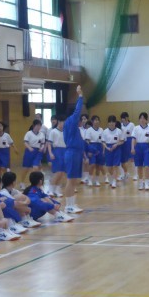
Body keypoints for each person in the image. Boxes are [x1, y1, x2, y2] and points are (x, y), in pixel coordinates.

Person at [62, 85, 85, 213]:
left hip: (76, 153)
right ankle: (68, 206)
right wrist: (80, 96)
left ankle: (71, 204)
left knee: (74, 180)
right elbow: (77, 111)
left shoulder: (74, 127)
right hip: (71, 153)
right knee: (70, 180)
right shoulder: (71, 121)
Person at [19, 119, 46, 189]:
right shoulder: (29, 133)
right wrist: (29, 148)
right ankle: (22, 182)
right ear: (34, 125)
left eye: (40, 126)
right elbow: (25, 142)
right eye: (37, 125)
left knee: (35, 167)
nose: (39, 127)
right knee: (25, 168)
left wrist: (42, 147)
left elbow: (43, 143)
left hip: (38, 152)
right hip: (29, 151)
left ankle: (35, 184)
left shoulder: (42, 134)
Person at [132, 112, 149, 191]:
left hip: (146, 147)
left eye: (144, 118)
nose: (142, 120)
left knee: (147, 166)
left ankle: (147, 182)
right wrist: (132, 148)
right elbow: (133, 138)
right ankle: (141, 182)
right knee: (139, 166)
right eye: (141, 118)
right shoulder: (136, 128)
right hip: (138, 147)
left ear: (146, 120)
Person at [102, 115, 124, 188]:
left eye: (113, 122)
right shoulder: (105, 131)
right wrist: (106, 148)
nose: (111, 123)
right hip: (108, 149)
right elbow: (103, 142)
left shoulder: (119, 131)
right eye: (110, 122)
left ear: (115, 123)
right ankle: (112, 178)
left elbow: (122, 141)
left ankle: (114, 181)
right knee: (109, 166)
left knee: (115, 166)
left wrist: (116, 144)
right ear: (108, 123)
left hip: (116, 149)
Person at [47, 117, 66, 197]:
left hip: (65, 151)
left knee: (62, 173)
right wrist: (50, 153)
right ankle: (51, 190)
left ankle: (57, 190)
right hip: (57, 151)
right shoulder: (53, 131)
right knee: (58, 172)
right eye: (63, 122)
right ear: (59, 122)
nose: (64, 124)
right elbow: (49, 143)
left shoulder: (65, 132)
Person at [85, 115, 105, 186]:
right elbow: (87, 141)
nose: (96, 121)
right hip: (92, 147)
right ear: (92, 121)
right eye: (95, 120)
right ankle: (90, 179)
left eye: (98, 120)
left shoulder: (101, 130)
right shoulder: (89, 130)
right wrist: (89, 150)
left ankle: (96, 180)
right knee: (92, 164)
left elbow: (103, 141)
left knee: (98, 165)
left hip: (99, 147)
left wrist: (103, 151)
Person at [120, 112, 136, 181]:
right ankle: (123, 174)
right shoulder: (120, 125)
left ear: (127, 118)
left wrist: (133, 145)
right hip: (122, 142)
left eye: (123, 118)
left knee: (132, 159)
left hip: (130, 141)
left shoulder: (132, 125)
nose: (122, 119)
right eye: (122, 118)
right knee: (122, 160)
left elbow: (134, 135)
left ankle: (135, 175)